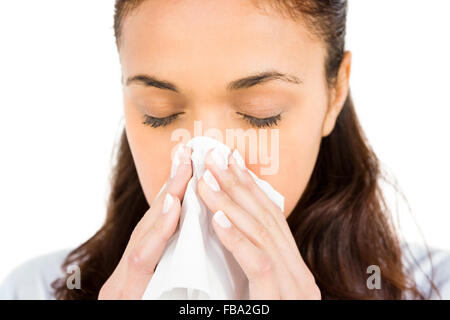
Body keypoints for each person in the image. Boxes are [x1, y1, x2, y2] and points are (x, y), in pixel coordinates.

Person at [1, 0, 450, 300]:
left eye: (261, 114)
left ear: (336, 92)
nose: (206, 167)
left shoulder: (434, 286)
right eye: (160, 113)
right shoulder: (39, 289)